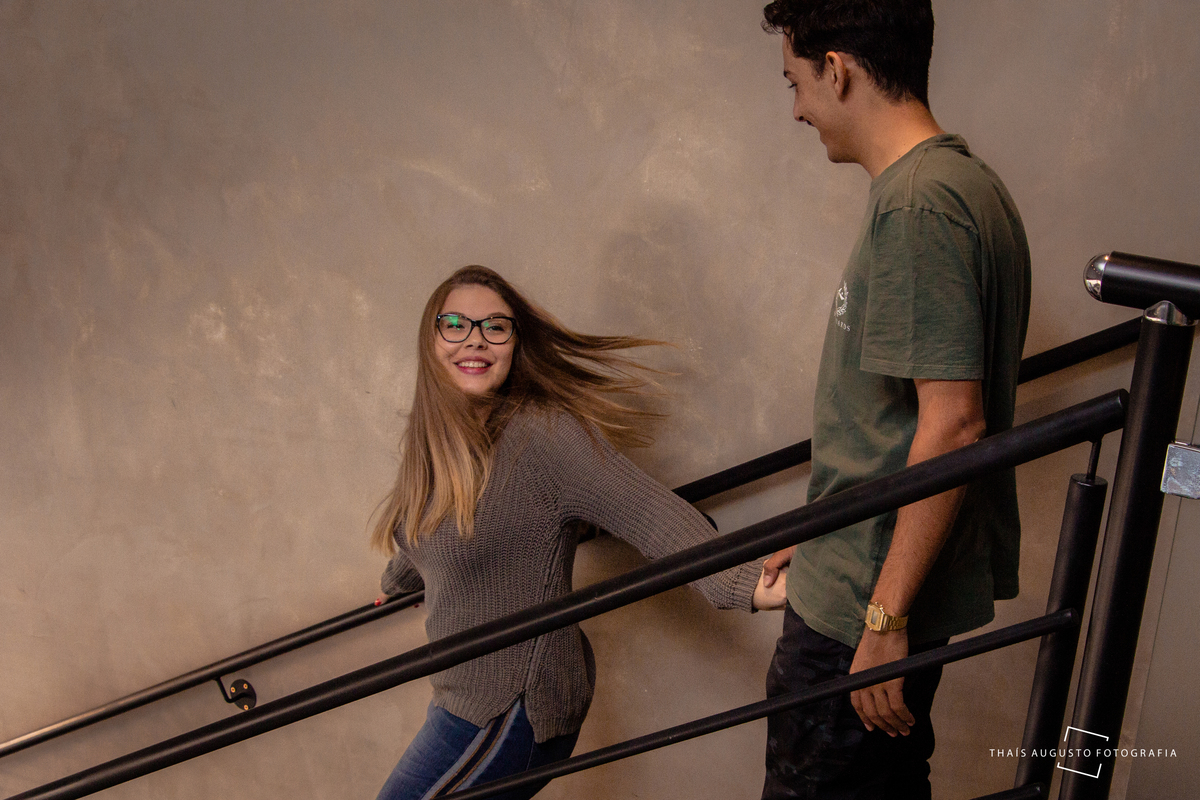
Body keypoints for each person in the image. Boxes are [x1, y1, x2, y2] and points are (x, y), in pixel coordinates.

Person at [370, 265, 786, 800]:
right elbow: (427, 523)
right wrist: (398, 581)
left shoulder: (543, 438)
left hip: (516, 702)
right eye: (455, 324)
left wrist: (745, 582)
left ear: (515, 344)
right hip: (460, 698)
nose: (475, 339)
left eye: (495, 326)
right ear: (432, 340)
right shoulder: (437, 437)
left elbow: (654, 515)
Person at [757, 1, 1031, 797]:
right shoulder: (961, 183)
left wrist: (882, 618)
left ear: (836, 70)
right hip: (859, 577)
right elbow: (892, 420)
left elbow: (953, 423)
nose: (798, 109)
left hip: (858, 615)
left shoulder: (921, 204)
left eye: (797, 83)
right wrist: (822, 531)